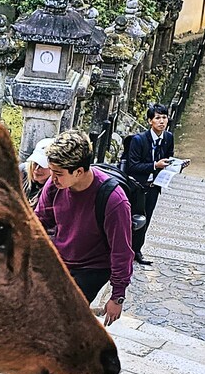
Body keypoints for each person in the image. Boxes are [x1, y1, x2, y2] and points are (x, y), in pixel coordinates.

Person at [36, 130, 134, 326]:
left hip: (93, 266)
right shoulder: (56, 186)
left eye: (58, 174)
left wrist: (117, 296)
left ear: (79, 171)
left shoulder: (114, 200)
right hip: (62, 256)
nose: (52, 178)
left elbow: (121, 251)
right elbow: (39, 220)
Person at [126, 103, 174, 265]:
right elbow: (132, 166)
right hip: (138, 187)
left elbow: (168, 158)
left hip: (154, 187)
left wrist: (176, 165)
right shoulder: (139, 140)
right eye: (158, 118)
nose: (162, 121)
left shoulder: (168, 138)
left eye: (164, 117)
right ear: (150, 121)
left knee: (146, 218)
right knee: (132, 219)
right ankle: (125, 248)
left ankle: (137, 250)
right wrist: (155, 165)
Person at [20, 138, 53, 209]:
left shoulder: (55, 191)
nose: (37, 169)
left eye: (42, 165)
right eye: (35, 163)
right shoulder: (22, 172)